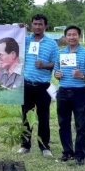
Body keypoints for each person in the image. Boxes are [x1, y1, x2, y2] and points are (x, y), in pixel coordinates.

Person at [53, 26, 85, 165]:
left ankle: (80, 155)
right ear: (65, 37)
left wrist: (81, 76)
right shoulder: (60, 54)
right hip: (63, 91)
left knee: (81, 125)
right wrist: (57, 75)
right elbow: (56, 72)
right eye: (69, 35)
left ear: (79, 36)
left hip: (80, 93)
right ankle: (67, 152)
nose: (72, 37)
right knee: (63, 124)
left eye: (74, 35)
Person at [17, 14, 59, 158]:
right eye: (35, 24)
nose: (37, 27)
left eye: (40, 24)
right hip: (27, 85)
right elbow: (13, 41)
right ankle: (25, 145)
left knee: (43, 117)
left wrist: (45, 66)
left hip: (43, 87)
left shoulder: (52, 44)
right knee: (26, 117)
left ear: (45, 26)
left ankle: (45, 147)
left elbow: (56, 63)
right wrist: (20, 30)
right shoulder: (26, 41)